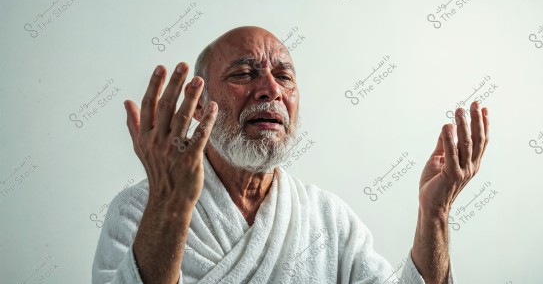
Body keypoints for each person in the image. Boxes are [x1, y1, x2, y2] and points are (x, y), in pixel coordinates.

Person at [92, 26, 490, 284]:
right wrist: (170, 205)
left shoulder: (327, 218)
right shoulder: (136, 210)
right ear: (198, 106)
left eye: (283, 77)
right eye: (243, 74)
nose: (270, 90)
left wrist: (434, 214)